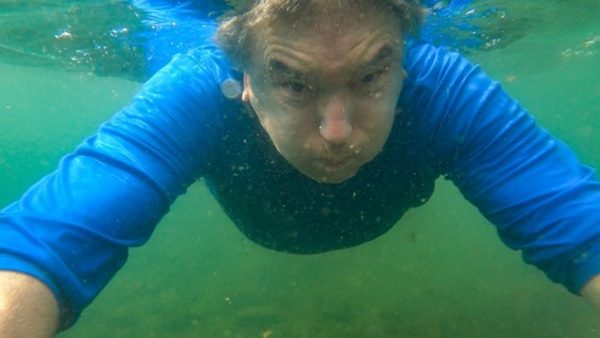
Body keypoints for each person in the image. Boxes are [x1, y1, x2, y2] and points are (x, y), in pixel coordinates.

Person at [1, 0, 600, 336]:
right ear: (245, 84)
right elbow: (44, 244)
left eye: (370, 76)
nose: (336, 131)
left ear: (404, 67)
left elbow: (579, 224)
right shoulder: (198, 89)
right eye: (292, 81)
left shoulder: (442, 88)